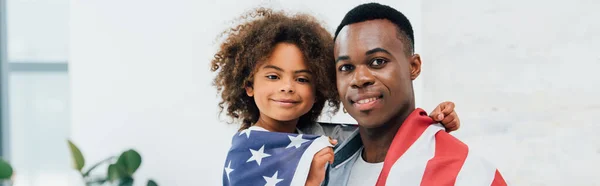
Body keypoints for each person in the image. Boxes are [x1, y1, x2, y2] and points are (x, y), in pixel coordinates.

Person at [211, 8, 461, 186]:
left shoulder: (317, 134)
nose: (287, 87)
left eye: (302, 79)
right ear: (248, 85)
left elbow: (384, 136)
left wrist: (430, 123)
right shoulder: (247, 150)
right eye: (273, 77)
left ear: (318, 88)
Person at [326, 3, 507, 186]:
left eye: (378, 62)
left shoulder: (466, 174)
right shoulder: (320, 166)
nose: (359, 78)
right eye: (346, 67)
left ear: (414, 67)